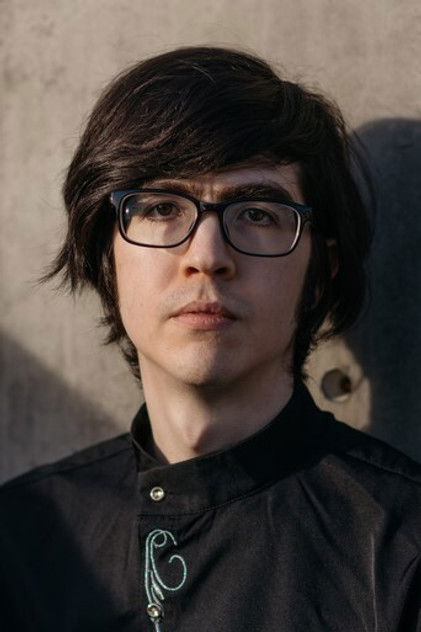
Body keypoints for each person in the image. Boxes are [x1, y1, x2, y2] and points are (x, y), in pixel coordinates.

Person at [1, 46, 420, 632]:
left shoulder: (402, 547)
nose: (207, 256)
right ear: (105, 257)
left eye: (257, 213)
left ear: (320, 273)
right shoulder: (22, 539)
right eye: (161, 207)